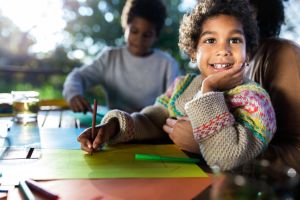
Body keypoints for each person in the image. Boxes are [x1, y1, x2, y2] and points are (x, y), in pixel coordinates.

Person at [77, 0, 276, 171]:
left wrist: (209, 90)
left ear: (247, 52)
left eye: (234, 40)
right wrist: (113, 127)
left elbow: (226, 158)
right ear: (193, 52)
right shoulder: (183, 85)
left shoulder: (255, 101)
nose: (223, 50)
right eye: (210, 40)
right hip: (172, 178)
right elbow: (151, 120)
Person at [63, 0, 179, 113]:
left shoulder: (167, 64)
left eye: (147, 35)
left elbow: (173, 104)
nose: (139, 39)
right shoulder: (110, 58)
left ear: (156, 36)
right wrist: (74, 94)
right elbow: (77, 77)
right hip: (113, 129)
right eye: (134, 31)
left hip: (153, 129)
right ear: (125, 27)